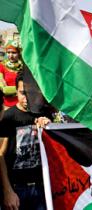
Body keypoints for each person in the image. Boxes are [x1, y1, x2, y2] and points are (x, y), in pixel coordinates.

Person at [0, 72, 51, 210]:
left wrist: (48, 126)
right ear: (16, 91)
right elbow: (0, 156)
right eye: (23, 93)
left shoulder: (44, 114)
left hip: (42, 187)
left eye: (31, 93)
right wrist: (7, 191)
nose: (27, 98)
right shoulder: (7, 118)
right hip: (17, 190)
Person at [0, 40, 23, 108]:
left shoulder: (24, 67)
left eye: (14, 52)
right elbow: (3, 89)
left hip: (20, 105)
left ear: (19, 53)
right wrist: (19, 90)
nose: (10, 55)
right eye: (8, 52)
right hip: (5, 104)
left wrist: (9, 89)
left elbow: (27, 86)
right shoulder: (2, 65)